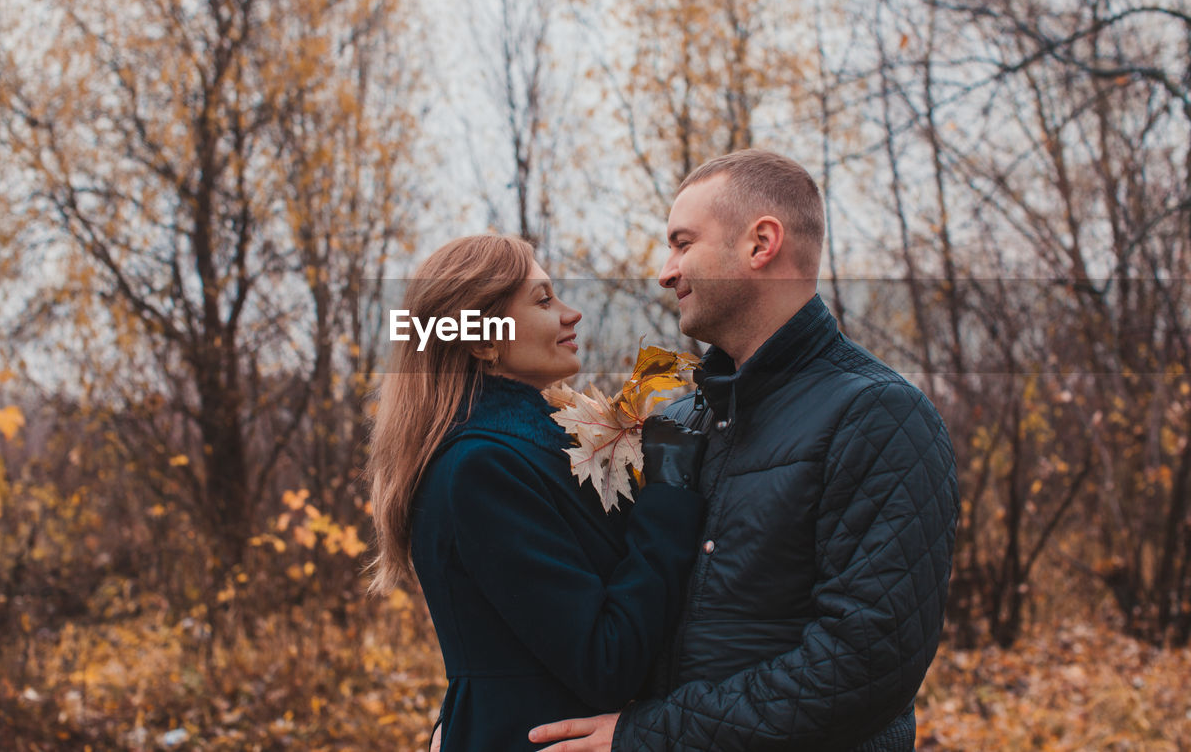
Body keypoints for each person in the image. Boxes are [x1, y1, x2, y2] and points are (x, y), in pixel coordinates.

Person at [530, 150, 959, 751]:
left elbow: (864, 666)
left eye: (682, 243)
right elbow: (601, 619)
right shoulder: (678, 422)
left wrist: (652, 738)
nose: (664, 270)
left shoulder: (880, 418)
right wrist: (480, 714)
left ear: (761, 244)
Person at [366, 234, 708, 752]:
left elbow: (511, 644)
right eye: (544, 300)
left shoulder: (527, 450)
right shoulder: (482, 468)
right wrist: (669, 493)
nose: (571, 314)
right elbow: (604, 662)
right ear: (483, 340)